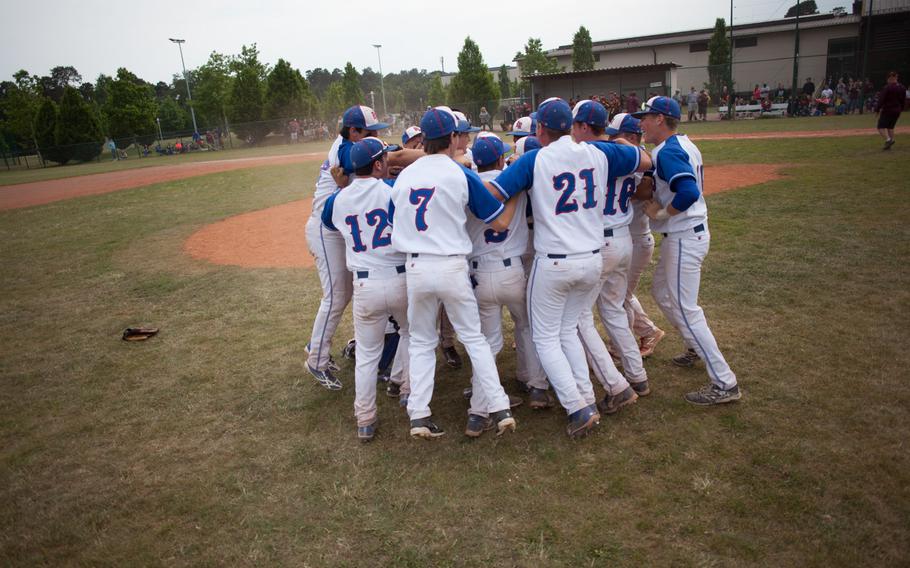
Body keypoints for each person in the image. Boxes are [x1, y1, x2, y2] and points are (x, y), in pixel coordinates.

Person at [487, 97, 652, 437]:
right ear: (570, 126)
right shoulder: (600, 151)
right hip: (592, 257)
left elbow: (494, 192)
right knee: (568, 330)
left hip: (556, 262)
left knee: (546, 336)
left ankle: (577, 408)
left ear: (541, 129)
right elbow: (645, 160)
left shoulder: (535, 158)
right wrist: (618, 140)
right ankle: (591, 396)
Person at [391, 106, 516, 439]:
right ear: (451, 138)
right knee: (474, 338)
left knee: (420, 342)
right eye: (460, 135)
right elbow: (499, 221)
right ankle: (499, 406)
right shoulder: (460, 172)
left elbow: (395, 219)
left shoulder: (405, 176)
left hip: (416, 265)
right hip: (450, 264)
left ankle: (419, 414)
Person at [632, 96, 741, 406]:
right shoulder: (681, 143)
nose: (642, 123)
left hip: (684, 235)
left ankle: (724, 382)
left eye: (646, 117)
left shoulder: (669, 150)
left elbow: (690, 191)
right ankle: (695, 346)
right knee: (662, 292)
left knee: (687, 308)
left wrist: (662, 212)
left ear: (661, 120)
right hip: (685, 235)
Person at [321, 137, 410, 442]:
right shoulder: (392, 190)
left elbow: (329, 223)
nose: (388, 163)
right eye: (384, 159)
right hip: (399, 278)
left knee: (368, 354)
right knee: (414, 335)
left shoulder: (338, 198)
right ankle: (408, 391)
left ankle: (365, 418)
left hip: (364, 284)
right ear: (376, 164)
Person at [464, 133, 551, 427]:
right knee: (527, 326)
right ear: (501, 158)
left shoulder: (468, 185)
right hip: (513, 269)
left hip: (479, 272)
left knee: (486, 343)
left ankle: (479, 410)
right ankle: (537, 385)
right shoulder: (512, 181)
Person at [570, 103, 651, 412]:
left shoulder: (588, 155)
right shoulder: (624, 153)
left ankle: (614, 383)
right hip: (622, 238)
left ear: (581, 126)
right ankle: (637, 375)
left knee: (578, 317)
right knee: (614, 311)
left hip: (599, 242)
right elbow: (647, 165)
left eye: (576, 125)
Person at [304, 105, 390, 390]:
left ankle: (320, 344)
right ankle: (316, 359)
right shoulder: (342, 151)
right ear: (353, 131)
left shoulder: (352, 147)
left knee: (353, 290)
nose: (374, 137)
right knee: (337, 295)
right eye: (369, 132)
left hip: (337, 226)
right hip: (325, 229)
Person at [875, 71, 906, 150]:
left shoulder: (887, 87)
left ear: (890, 78)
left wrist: (877, 109)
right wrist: (901, 108)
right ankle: (891, 141)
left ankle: (888, 140)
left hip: (888, 110)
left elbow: (881, 99)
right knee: (890, 127)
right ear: (896, 77)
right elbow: (903, 100)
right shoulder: (902, 87)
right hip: (897, 110)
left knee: (880, 127)